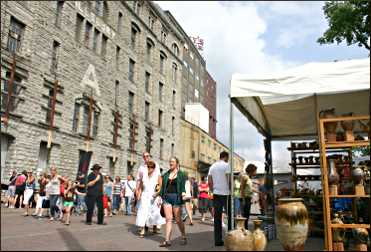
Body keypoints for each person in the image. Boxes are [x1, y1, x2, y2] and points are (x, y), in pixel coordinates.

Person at [159, 157, 187, 247]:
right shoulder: (166, 174)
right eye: (170, 161)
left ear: (177, 164)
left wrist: (183, 194)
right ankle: (167, 240)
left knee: (178, 220)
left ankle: (183, 236)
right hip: (166, 197)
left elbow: (182, 186)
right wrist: (158, 196)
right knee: (168, 219)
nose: (171, 163)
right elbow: (162, 186)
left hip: (176, 198)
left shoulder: (181, 174)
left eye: (173, 162)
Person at [208, 151, 231, 247]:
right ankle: (230, 238)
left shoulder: (212, 166)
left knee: (217, 218)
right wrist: (231, 189)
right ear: (226, 157)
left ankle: (218, 240)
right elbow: (228, 179)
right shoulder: (227, 165)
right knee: (230, 215)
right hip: (226, 193)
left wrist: (212, 189)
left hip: (216, 193)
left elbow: (209, 180)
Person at [135, 160, 164, 238]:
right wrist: (139, 194)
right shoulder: (144, 175)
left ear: (154, 168)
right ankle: (142, 229)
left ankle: (154, 226)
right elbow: (141, 186)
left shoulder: (157, 175)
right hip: (145, 196)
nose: (149, 168)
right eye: (148, 167)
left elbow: (161, 186)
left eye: (151, 167)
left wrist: (157, 194)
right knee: (143, 212)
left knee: (154, 212)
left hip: (154, 196)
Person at [240, 163, 258, 230]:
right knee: (245, 216)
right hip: (245, 198)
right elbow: (242, 188)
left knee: (247, 216)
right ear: (251, 170)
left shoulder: (249, 178)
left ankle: (245, 229)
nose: (256, 172)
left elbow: (249, 188)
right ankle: (244, 230)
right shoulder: (245, 177)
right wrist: (243, 200)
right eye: (255, 171)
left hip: (248, 198)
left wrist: (259, 192)